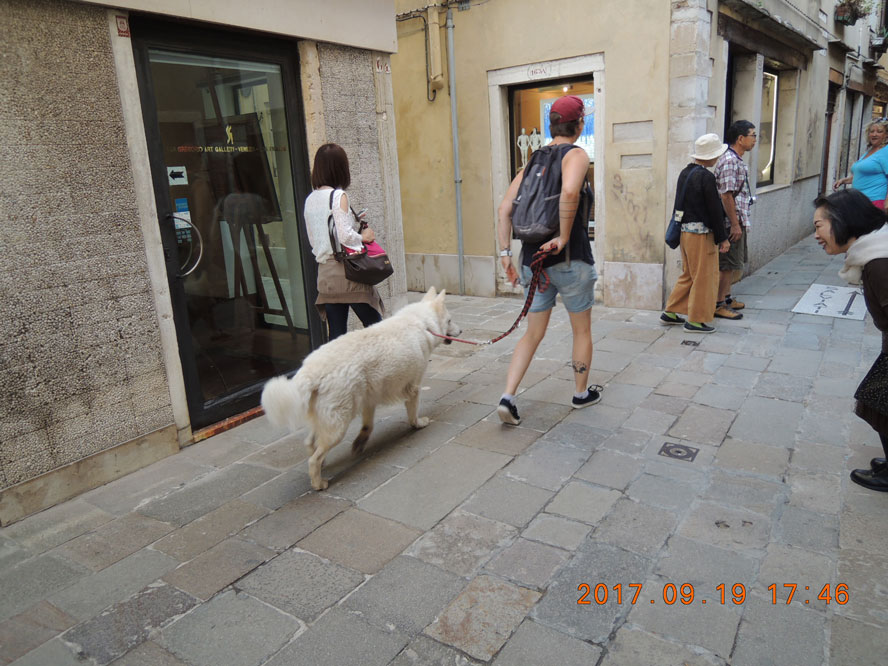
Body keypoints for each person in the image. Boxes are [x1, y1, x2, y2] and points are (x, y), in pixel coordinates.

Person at [496, 95, 599, 425]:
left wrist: (505, 255)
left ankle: (508, 396)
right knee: (581, 330)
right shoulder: (576, 155)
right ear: (579, 124)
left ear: (552, 126)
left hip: (533, 262)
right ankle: (580, 393)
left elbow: (504, 209)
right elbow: (569, 192)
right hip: (571, 260)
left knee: (532, 333)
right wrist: (564, 236)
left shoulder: (532, 161)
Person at [813, 189, 888, 491]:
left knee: (878, 400)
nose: (816, 235)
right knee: (876, 401)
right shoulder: (872, 254)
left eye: (819, 226)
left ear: (842, 221)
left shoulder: (879, 264)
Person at [303, 143, 383, 340]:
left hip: (326, 276)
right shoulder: (338, 195)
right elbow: (345, 235)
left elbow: (313, 240)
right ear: (340, 168)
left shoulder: (310, 199)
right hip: (348, 274)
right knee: (377, 329)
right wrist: (364, 237)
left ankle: (337, 362)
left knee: (336, 336)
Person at [661, 134, 731, 333]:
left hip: (685, 232)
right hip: (701, 235)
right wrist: (722, 238)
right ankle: (696, 320)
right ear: (710, 156)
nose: (717, 158)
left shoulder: (685, 172)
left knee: (689, 274)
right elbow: (714, 210)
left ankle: (671, 311)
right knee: (704, 277)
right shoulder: (706, 177)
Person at [714, 120, 757, 320]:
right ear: (741, 138)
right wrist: (734, 224)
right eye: (753, 135)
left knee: (732, 264)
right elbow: (726, 195)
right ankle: (718, 304)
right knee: (726, 264)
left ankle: (727, 298)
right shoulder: (730, 161)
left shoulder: (735, 159)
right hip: (730, 222)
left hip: (737, 219)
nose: (755, 139)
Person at [833, 118, 888, 209]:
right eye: (872, 131)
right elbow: (864, 175)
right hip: (860, 200)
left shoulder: (885, 151)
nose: (874, 134)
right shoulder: (871, 151)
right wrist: (844, 181)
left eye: (879, 131)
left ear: (886, 135)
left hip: (875, 201)